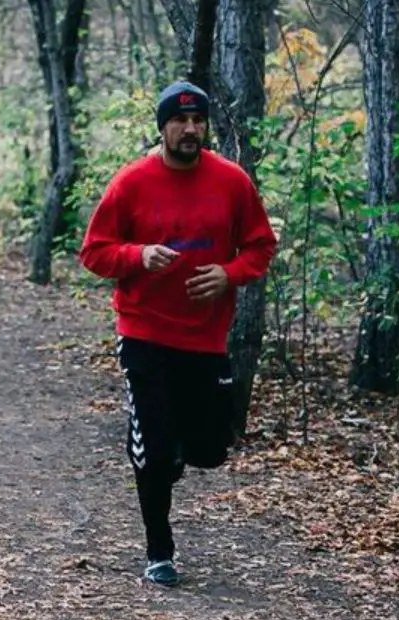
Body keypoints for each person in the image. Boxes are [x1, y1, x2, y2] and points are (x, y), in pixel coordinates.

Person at [78, 80, 277, 586]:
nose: (190, 130)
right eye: (179, 121)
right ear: (162, 127)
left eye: (198, 121)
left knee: (209, 448)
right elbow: (94, 251)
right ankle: (159, 551)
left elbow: (260, 246)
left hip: (205, 338)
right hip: (144, 330)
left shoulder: (231, 182)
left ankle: (163, 442)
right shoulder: (131, 183)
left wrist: (229, 274)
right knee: (156, 450)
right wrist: (138, 256)